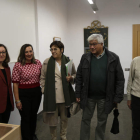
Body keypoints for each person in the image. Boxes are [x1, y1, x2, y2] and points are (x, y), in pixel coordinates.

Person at [75, 34, 125, 140]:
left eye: (94, 44)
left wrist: (117, 97)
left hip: (105, 97)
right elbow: (79, 76)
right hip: (88, 96)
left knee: (102, 121)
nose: (91, 47)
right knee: (85, 120)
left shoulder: (113, 58)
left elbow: (120, 79)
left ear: (102, 44)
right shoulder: (85, 57)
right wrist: (78, 93)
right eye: (90, 44)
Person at [40, 41, 76, 140]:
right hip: (51, 96)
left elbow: (75, 74)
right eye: (51, 49)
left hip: (64, 96)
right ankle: (54, 137)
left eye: (55, 49)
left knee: (64, 119)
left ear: (62, 50)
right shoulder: (47, 62)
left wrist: (71, 78)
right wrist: (44, 90)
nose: (53, 51)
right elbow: (42, 77)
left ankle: (63, 135)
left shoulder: (68, 61)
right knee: (52, 120)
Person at [12, 44, 42, 140]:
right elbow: (15, 84)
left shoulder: (38, 63)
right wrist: (17, 100)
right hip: (24, 94)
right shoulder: (18, 65)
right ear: (23, 53)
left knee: (34, 115)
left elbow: (43, 77)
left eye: (30, 51)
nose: (29, 54)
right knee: (26, 117)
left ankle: (32, 135)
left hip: (36, 93)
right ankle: (26, 137)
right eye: (26, 52)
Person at [0, 44, 14, 123]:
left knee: (4, 129)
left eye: (3, 52)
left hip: (7, 104)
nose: (1, 54)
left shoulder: (7, 68)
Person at [127, 56, 140, 140]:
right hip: (137, 97)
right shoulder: (135, 61)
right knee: (137, 125)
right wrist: (129, 97)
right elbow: (130, 80)